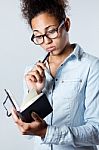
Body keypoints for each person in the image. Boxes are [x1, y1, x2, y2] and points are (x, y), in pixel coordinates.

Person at [11, 0, 99, 149]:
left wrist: (47, 132)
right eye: (38, 36)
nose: (46, 41)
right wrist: (35, 92)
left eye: (51, 31)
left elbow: (96, 132)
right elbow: (30, 133)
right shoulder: (31, 72)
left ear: (67, 24)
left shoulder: (91, 67)